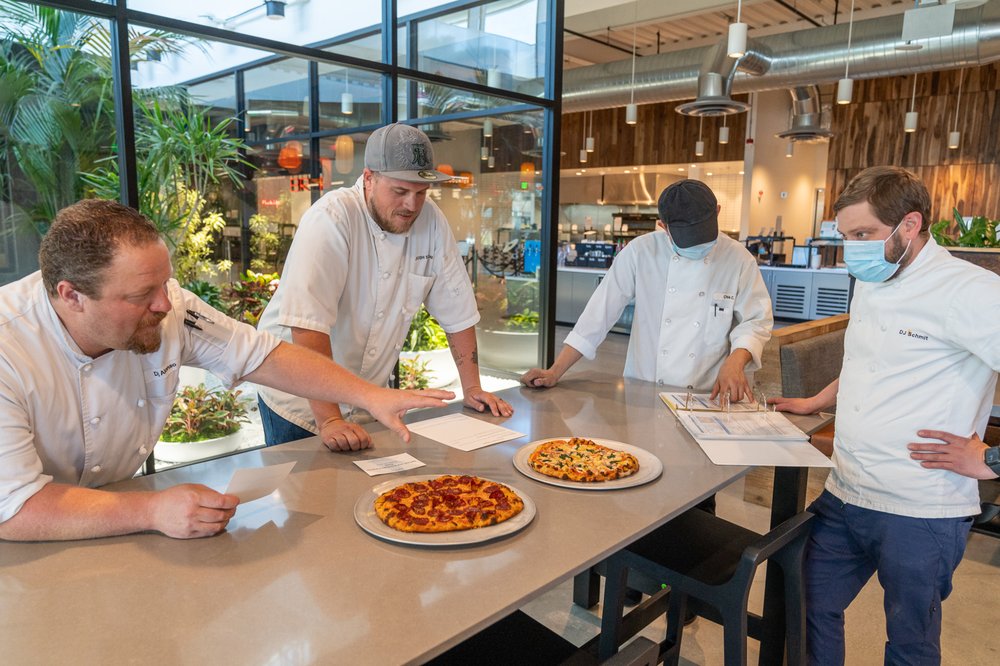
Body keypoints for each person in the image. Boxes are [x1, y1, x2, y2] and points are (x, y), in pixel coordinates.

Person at [0, 199, 454, 542]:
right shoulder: (8, 345)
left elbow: (262, 355)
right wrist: (152, 511)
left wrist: (368, 396)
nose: (164, 304)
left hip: (113, 522)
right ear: (72, 295)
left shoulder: (170, 306)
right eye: (141, 295)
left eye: (165, 283)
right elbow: (15, 507)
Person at [769, 166, 1000, 665]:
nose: (852, 249)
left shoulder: (970, 292)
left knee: (910, 643)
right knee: (806, 602)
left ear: (910, 225)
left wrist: (993, 459)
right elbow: (869, 364)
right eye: (846, 236)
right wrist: (815, 403)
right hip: (846, 492)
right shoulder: (875, 278)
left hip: (919, 509)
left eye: (863, 235)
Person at [257, 123, 512, 452]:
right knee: (311, 499)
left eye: (421, 193)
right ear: (368, 178)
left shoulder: (431, 220)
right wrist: (329, 419)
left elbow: (457, 309)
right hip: (299, 402)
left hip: (363, 399)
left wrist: (473, 387)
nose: (411, 204)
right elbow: (307, 327)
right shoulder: (331, 219)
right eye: (400, 191)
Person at [521, 179, 772, 403]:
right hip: (644, 392)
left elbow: (755, 321)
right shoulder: (640, 252)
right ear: (663, 226)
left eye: (704, 235)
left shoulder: (738, 258)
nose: (698, 245)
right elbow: (598, 315)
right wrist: (554, 371)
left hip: (708, 394)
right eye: (687, 238)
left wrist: (735, 362)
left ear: (717, 212)